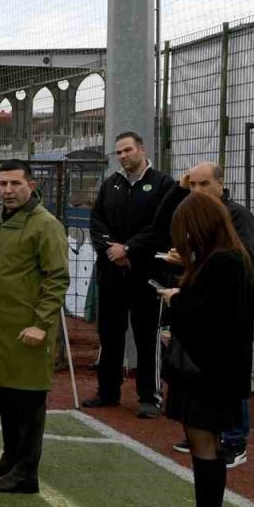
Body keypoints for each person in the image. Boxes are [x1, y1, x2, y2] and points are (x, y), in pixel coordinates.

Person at [156, 192, 254, 507]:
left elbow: (206, 316)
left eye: (186, 230)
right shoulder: (232, 258)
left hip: (207, 372)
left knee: (205, 447)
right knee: (206, 446)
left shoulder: (221, 263)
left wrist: (176, 300)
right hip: (218, 369)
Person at [0, 160, 70, 493]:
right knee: (6, 397)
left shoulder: (46, 225)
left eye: (15, 183)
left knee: (29, 401)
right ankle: (10, 458)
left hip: (28, 328)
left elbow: (57, 279)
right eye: (3, 184)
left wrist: (41, 324)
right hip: (0, 327)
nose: (8, 190)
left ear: (31, 185)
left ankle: (26, 473)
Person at [162, 162, 254, 467]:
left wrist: (190, 267)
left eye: (203, 184)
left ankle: (234, 439)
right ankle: (207, 429)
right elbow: (164, 220)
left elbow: (239, 263)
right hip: (207, 331)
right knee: (205, 393)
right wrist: (177, 189)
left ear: (220, 183)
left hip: (224, 331)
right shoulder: (195, 214)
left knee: (226, 377)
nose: (197, 190)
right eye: (192, 185)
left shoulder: (237, 220)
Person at [87, 131, 176, 418]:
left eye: (128, 150)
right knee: (109, 333)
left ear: (142, 149)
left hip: (146, 273)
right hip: (112, 272)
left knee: (147, 336)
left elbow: (161, 227)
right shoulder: (110, 185)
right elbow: (96, 221)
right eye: (119, 152)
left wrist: (129, 249)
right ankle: (107, 391)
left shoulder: (163, 184)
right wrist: (110, 250)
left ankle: (150, 397)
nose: (123, 156)